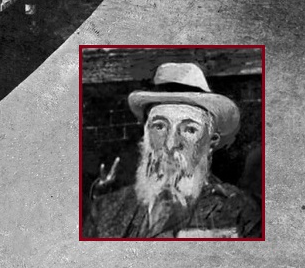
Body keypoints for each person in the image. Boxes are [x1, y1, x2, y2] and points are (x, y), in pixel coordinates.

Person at [84, 62, 260, 238]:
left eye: (189, 129)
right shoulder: (104, 209)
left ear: (211, 142)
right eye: (159, 126)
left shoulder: (240, 211)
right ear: (145, 133)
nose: (170, 144)